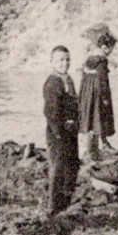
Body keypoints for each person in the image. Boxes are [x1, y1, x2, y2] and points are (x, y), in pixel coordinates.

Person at [42, 46, 80, 216]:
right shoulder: (52, 83)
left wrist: (75, 124)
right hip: (58, 133)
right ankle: (53, 208)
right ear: (52, 62)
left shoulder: (68, 80)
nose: (65, 63)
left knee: (71, 167)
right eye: (60, 60)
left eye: (67, 59)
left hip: (70, 131)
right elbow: (51, 113)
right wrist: (59, 132)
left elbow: (73, 105)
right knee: (58, 169)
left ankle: (65, 205)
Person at [78, 32, 117, 160]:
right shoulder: (102, 60)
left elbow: (84, 75)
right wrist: (105, 98)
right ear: (106, 47)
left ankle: (92, 147)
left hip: (87, 93)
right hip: (98, 94)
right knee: (101, 116)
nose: (111, 51)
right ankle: (102, 146)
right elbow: (102, 80)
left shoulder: (89, 58)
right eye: (111, 48)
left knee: (90, 117)